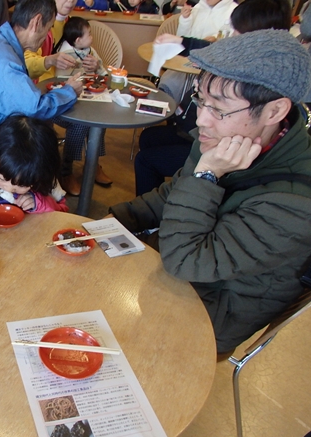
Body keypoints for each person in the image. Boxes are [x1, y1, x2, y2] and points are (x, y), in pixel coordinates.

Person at [108, 29, 311, 359]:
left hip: (210, 316)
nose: (201, 120)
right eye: (201, 101)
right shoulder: (226, 142)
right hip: (182, 270)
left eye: (219, 109)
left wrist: (206, 175)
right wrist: (116, 219)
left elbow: (184, 262)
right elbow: (173, 193)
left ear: (275, 112)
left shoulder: (296, 204)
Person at [136, 0, 293, 196]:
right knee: (150, 138)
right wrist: (181, 42)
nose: (231, 41)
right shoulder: (249, 58)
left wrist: (207, 173)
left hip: (223, 144)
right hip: (207, 135)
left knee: (146, 160)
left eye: (238, 35)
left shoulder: (263, 81)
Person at [23, 0, 112, 196]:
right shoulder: (39, 23)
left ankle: (93, 163)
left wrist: (95, 65)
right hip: (45, 91)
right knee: (80, 123)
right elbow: (26, 62)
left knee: (100, 114)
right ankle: (66, 170)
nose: (70, 1)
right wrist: (50, 59)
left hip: (73, 87)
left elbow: (91, 58)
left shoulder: (74, 24)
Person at [0, 0, 81, 135]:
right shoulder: (5, 61)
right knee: (41, 131)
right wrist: (70, 91)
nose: (46, 35)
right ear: (36, 23)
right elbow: (34, 108)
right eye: (48, 28)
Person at [158, 0, 237, 102]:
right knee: (169, 80)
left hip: (213, 66)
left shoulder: (234, 11)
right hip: (189, 60)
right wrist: (185, 20)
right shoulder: (198, 7)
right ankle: (169, 110)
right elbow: (183, 40)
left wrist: (214, 39)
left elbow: (231, 44)